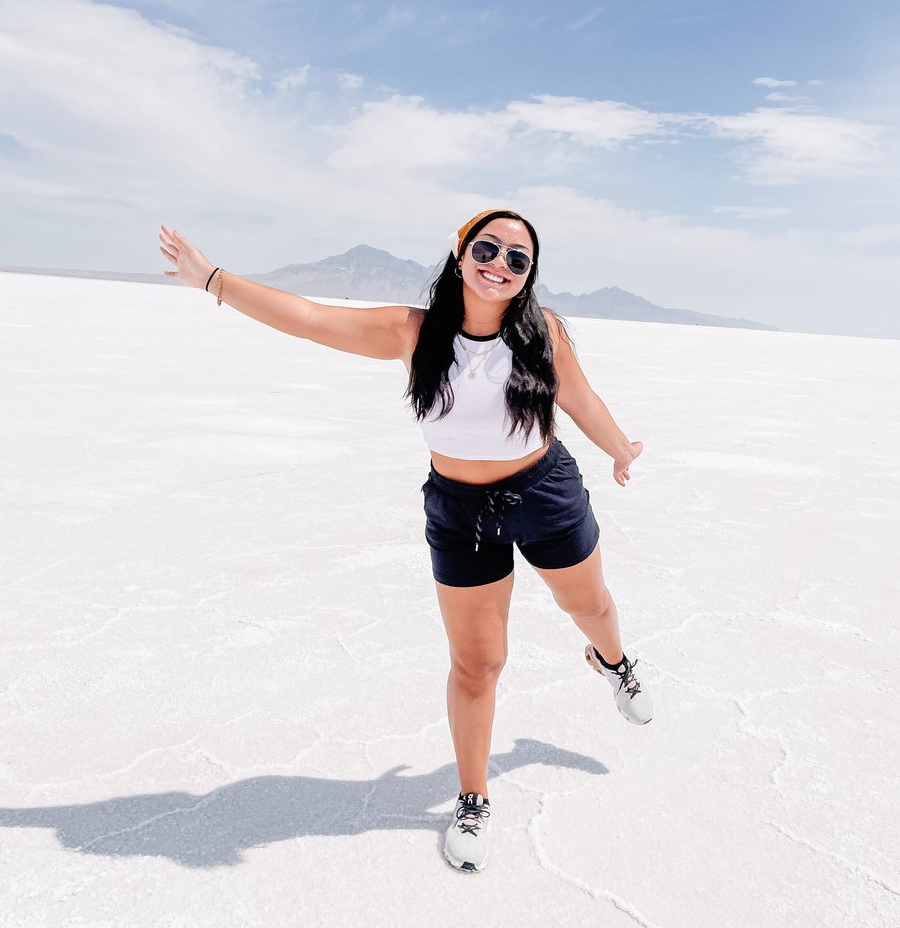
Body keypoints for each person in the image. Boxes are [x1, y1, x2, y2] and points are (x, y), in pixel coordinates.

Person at [158, 209, 651, 874]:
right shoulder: (413, 333)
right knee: (478, 665)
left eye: (518, 260)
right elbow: (308, 318)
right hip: (459, 512)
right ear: (460, 251)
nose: (500, 265)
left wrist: (620, 450)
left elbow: (582, 399)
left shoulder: (542, 333)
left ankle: (614, 663)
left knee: (590, 609)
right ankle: (473, 798)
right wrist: (211, 278)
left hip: (544, 493)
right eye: (488, 248)